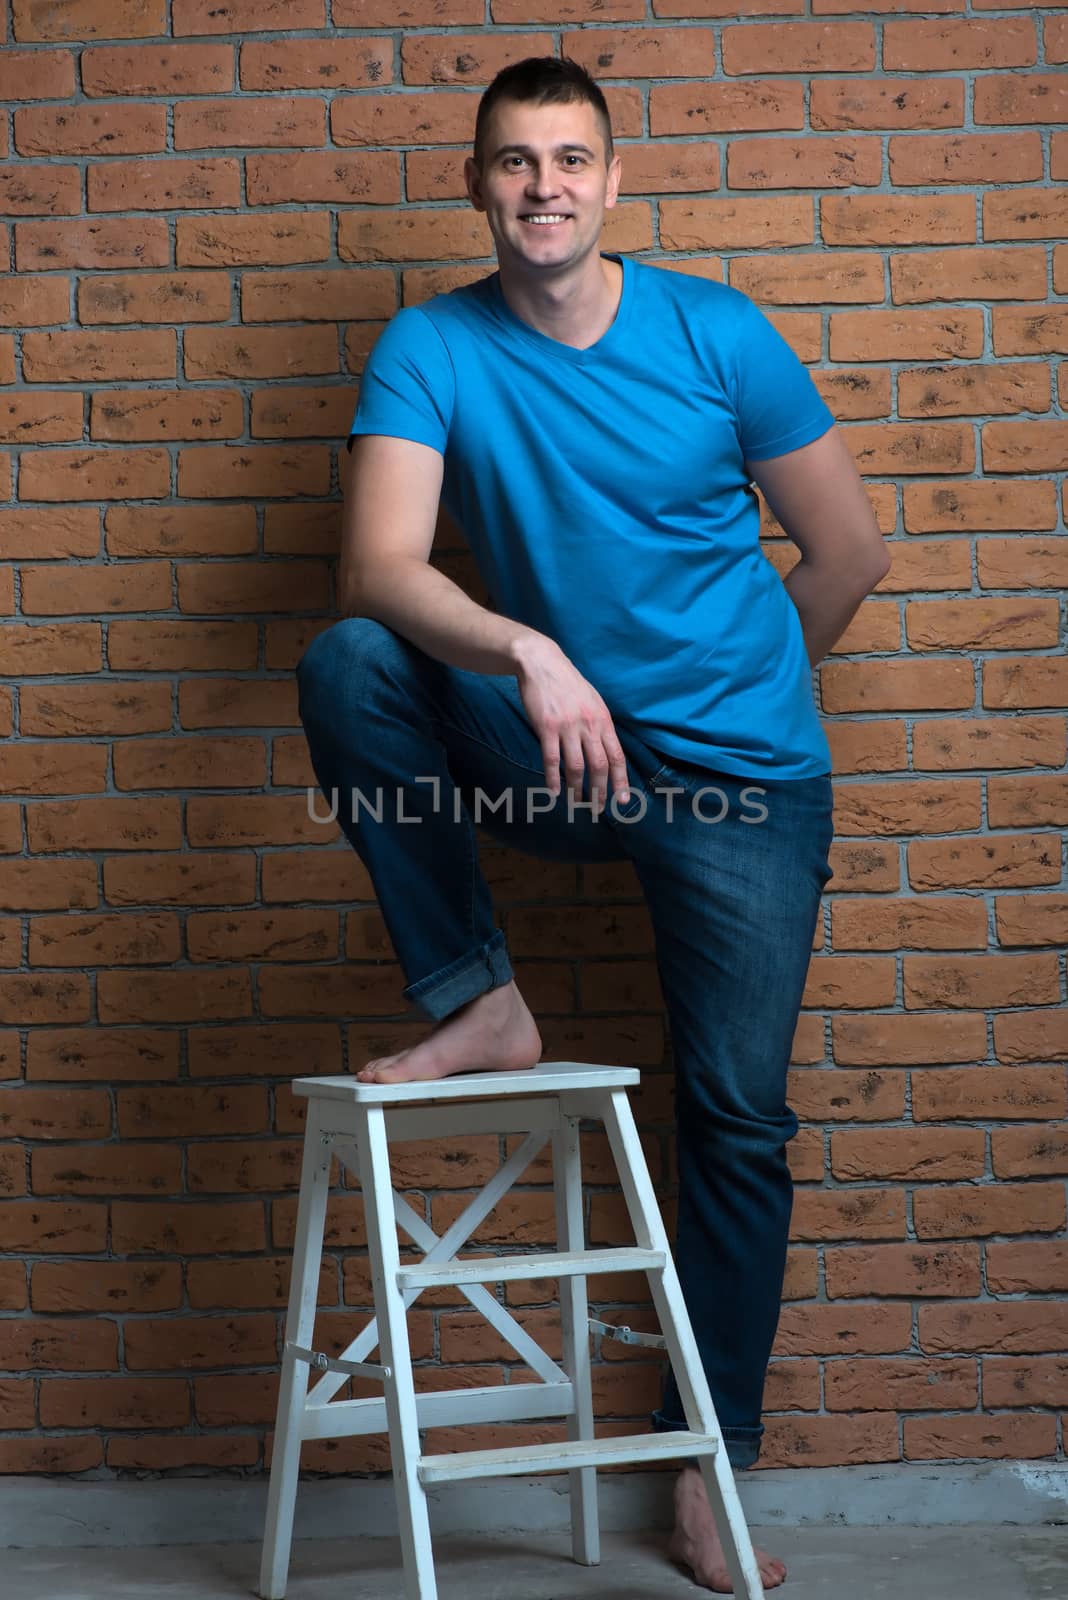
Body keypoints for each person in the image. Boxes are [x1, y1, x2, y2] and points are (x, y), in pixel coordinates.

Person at [297, 56, 890, 1593]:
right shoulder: (431, 345)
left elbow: (845, 553)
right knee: (354, 663)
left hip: (741, 781)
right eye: (513, 161)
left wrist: (736, 713)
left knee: (739, 1115)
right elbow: (380, 566)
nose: (543, 185)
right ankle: (479, 997)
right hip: (556, 750)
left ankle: (711, 1470)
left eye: (571, 159)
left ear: (614, 184)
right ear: (478, 183)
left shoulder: (716, 332)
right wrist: (534, 655)